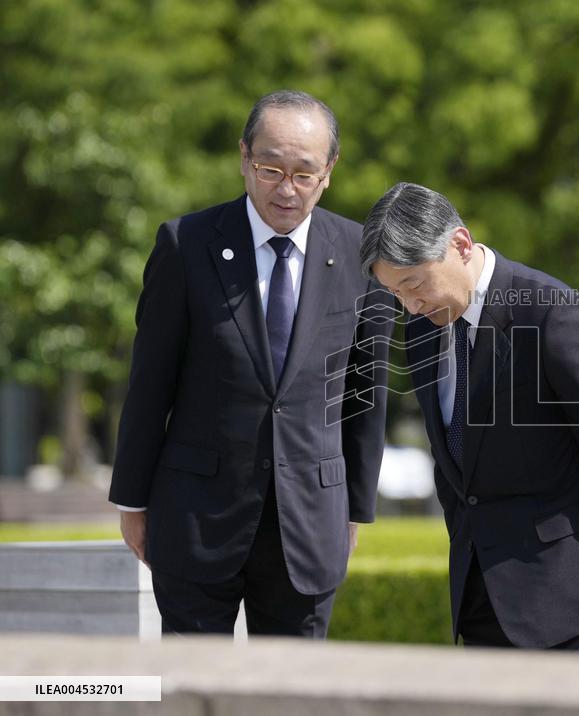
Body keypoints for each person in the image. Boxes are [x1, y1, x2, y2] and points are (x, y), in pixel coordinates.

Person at [109, 90, 391, 638]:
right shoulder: (185, 244)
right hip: (196, 516)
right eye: (269, 168)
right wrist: (132, 500)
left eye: (304, 174)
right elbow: (150, 384)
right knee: (191, 686)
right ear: (243, 157)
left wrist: (352, 509)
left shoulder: (362, 256)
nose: (286, 189)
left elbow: (366, 393)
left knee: (290, 693)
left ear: (329, 172)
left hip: (309, 523)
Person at [360, 182, 579, 651]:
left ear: (460, 245)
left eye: (415, 284)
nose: (410, 305)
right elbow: (451, 452)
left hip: (572, 595)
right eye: (394, 292)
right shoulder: (421, 327)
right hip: (478, 589)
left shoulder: (552, 313)